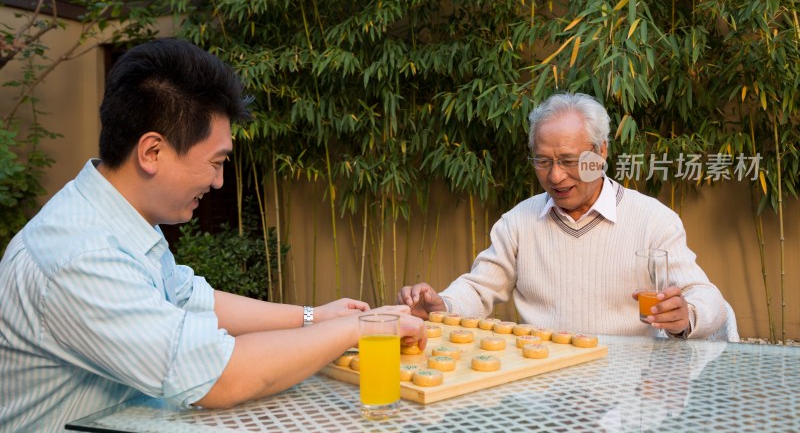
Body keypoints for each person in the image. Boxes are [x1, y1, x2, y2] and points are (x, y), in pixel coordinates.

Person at [0, 38, 425, 432]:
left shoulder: (114, 218)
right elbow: (221, 377)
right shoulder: (80, 256)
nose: (220, 182)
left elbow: (190, 297)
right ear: (152, 151)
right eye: (216, 162)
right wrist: (366, 328)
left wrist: (314, 316)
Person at [398, 92, 729, 340]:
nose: (555, 176)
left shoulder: (653, 220)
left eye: (569, 161)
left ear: (600, 152)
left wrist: (687, 316)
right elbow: (479, 288)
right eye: (542, 161)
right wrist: (441, 304)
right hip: (543, 382)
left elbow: (707, 297)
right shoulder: (518, 222)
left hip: (628, 389)